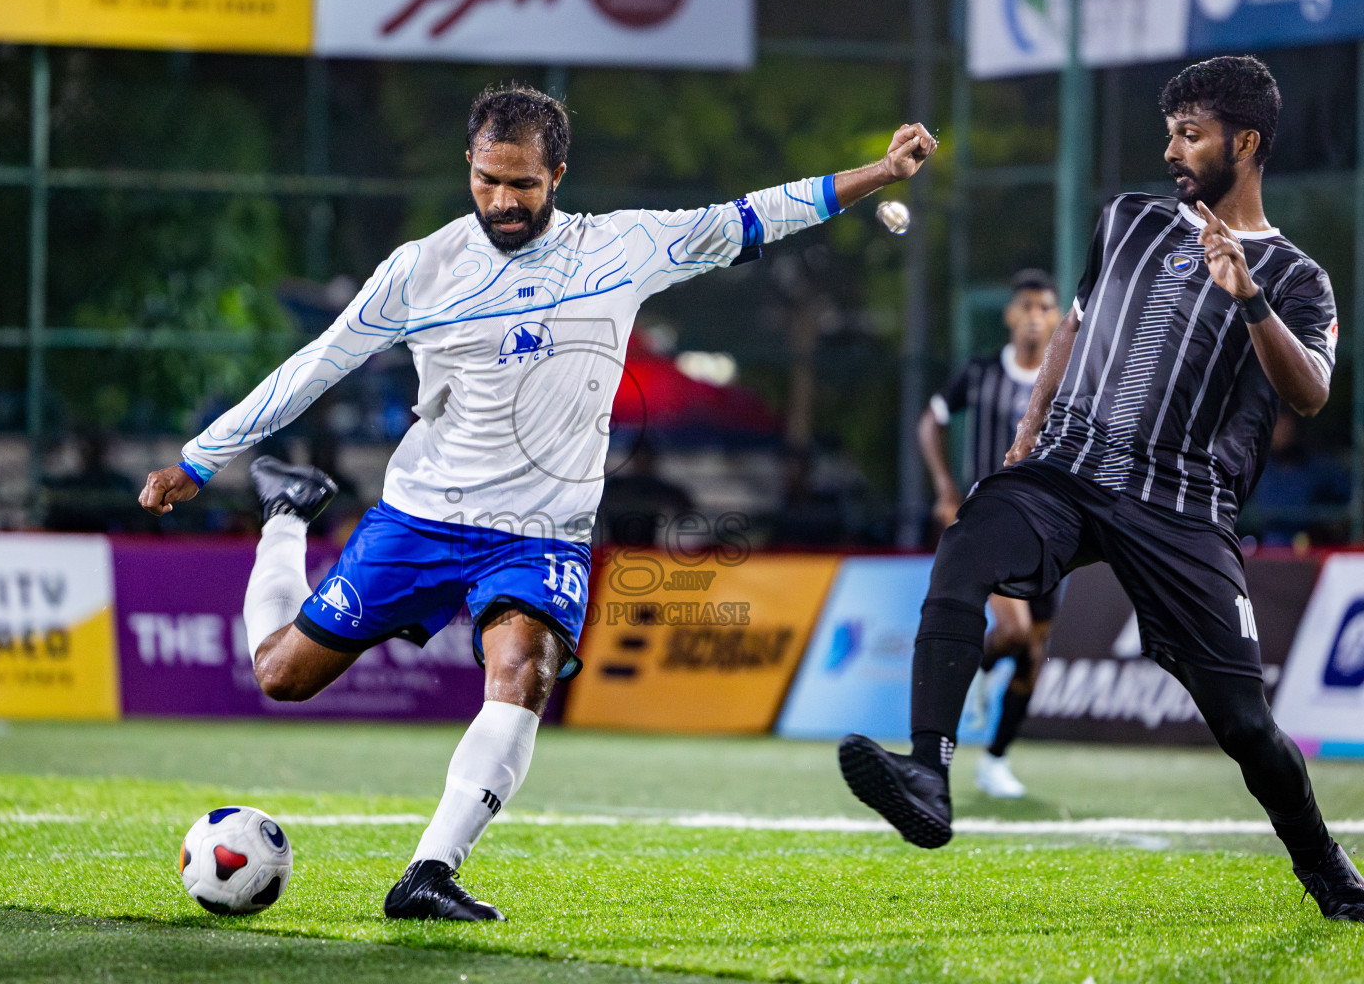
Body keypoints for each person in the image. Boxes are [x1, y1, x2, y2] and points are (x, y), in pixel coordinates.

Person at [139, 84, 937, 921]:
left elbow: (754, 214)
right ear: (471, 168)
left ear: (557, 174)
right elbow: (317, 363)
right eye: (487, 180)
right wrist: (203, 459)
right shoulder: (423, 267)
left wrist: (880, 172)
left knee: (523, 671)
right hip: (422, 516)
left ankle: (429, 872)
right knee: (281, 676)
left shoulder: (624, 246)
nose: (501, 200)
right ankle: (286, 516)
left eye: (522, 184)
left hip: (539, 535)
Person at [840, 56, 1364, 921]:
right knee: (968, 541)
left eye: (1190, 135)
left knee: (1244, 725)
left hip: (1185, 510)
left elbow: (1309, 390)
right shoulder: (1125, 219)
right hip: (1072, 468)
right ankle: (927, 776)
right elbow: (1075, 334)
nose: (1172, 150)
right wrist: (1023, 436)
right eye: (1169, 132)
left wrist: (1251, 299)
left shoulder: (1299, 280)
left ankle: (1325, 869)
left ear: (1247, 142)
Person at [917, 269, 1062, 798]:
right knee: (1016, 632)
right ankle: (970, 669)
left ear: (1057, 316)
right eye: (1024, 306)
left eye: (1045, 307)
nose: (1034, 316)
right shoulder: (979, 374)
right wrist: (944, 488)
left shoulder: (1068, 378)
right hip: (992, 522)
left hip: (1054, 527)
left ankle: (995, 761)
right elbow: (930, 420)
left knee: (1033, 654)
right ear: (1008, 315)